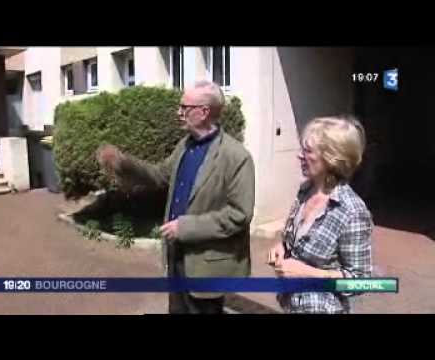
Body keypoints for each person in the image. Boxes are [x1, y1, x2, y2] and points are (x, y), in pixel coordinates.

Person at [97, 81, 255, 314]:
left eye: (184, 107)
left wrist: (185, 227)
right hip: (177, 256)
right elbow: (160, 175)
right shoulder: (185, 145)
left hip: (206, 264)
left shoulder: (236, 157)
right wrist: (124, 164)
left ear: (204, 112)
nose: (178, 112)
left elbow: (239, 214)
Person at [267, 116, 373, 314]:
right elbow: (298, 242)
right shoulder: (306, 190)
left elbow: (360, 282)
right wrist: (282, 247)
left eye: (307, 151)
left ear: (332, 158)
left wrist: (309, 273)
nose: (299, 156)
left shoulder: (352, 211)